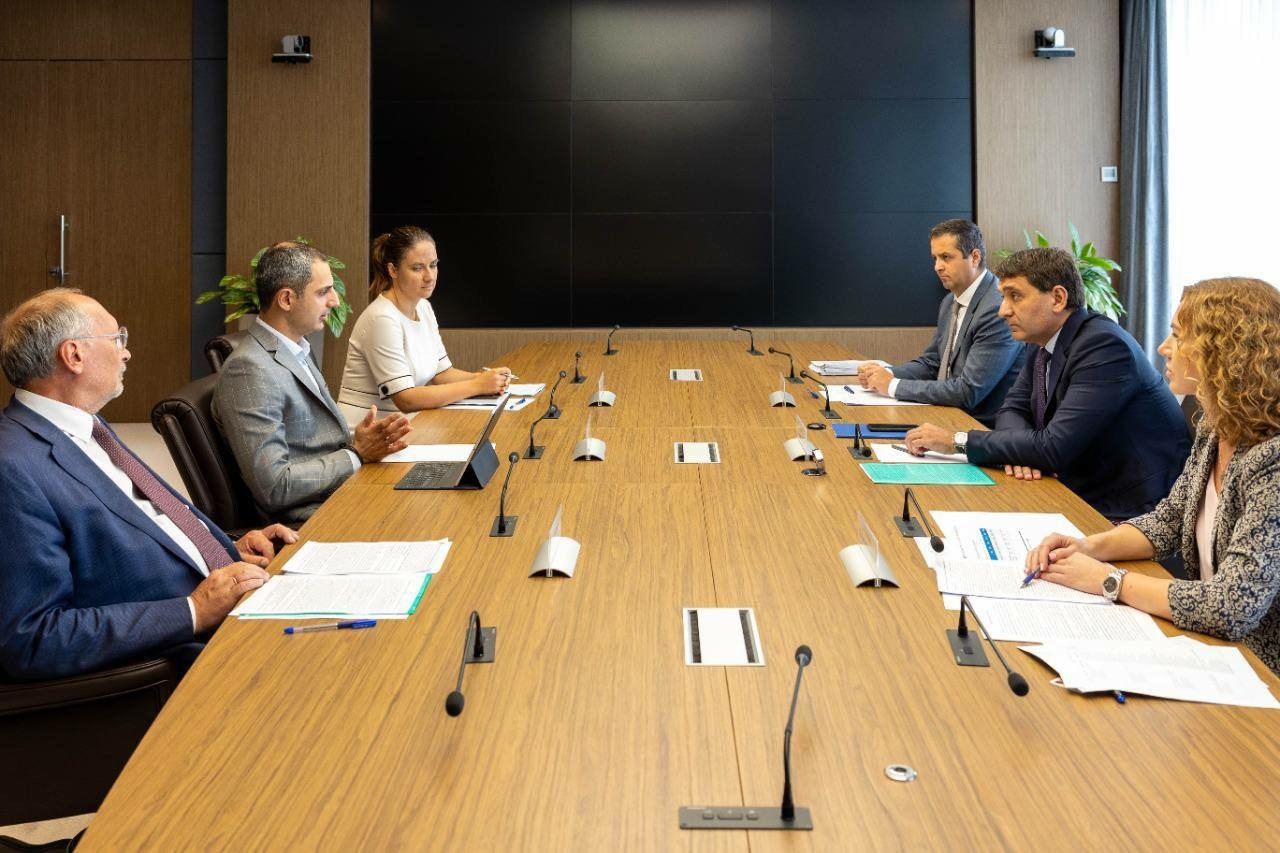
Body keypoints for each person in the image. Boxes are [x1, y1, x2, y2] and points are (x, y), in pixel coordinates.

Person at [0, 288, 296, 679]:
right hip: (193, 658)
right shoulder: (13, 467)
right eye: (116, 338)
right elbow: (32, 637)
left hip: (235, 598)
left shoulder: (88, 426)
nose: (126, 353)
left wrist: (221, 548)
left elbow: (137, 525)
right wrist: (192, 611)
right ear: (74, 355)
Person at [1026, 277, 1280, 674]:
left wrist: (1110, 581)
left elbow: (1233, 606)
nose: (1164, 347)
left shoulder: (1272, 461)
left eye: (1177, 335)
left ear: (1224, 351)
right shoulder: (1216, 427)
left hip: (1261, 672)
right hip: (1217, 651)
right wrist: (1088, 547)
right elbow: (1170, 520)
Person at [904, 246, 1189, 520]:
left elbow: (1053, 447)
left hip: (1128, 509)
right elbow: (1012, 409)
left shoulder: (1103, 347)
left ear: (1058, 298)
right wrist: (1026, 454)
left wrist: (955, 441)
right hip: (1075, 486)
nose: (1003, 310)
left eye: (1015, 296)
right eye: (1003, 297)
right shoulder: (1041, 340)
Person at [213, 243, 412, 524]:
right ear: (286, 299)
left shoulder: (297, 349)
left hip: (341, 492)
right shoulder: (249, 370)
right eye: (323, 292)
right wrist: (356, 454)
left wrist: (364, 444)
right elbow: (274, 486)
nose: (335, 301)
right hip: (314, 516)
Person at [337, 226, 511, 425]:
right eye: (417, 268)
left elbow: (442, 374)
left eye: (433, 265)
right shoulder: (382, 319)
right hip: (369, 433)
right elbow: (406, 399)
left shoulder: (424, 307)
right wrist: (478, 385)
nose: (429, 276)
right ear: (393, 270)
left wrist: (486, 378)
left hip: (404, 426)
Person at [857, 219, 1024, 426]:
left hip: (980, 428)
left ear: (974, 257)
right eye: (935, 258)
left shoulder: (997, 308)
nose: (937, 267)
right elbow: (932, 363)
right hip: (947, 416)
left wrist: (892, 385)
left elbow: (968, 392)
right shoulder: (950, 302)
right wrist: (885, 374)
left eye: (946, 257)